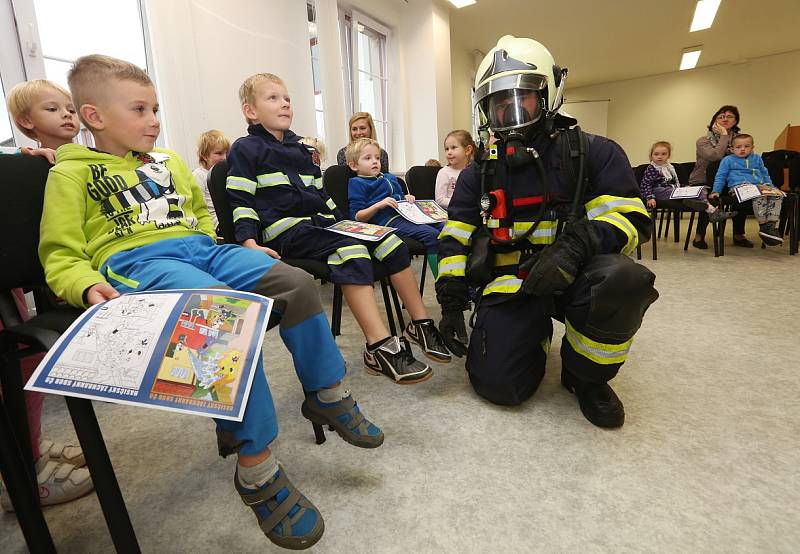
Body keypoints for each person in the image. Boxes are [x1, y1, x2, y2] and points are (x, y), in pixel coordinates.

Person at [39, 55, 384, 550]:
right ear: (94, 117)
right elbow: (60, 251)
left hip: (201, 249)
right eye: (140, 109)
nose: (155, 119)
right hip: (136, 260)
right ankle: (256, 467)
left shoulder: (171, 162)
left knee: (296, 282)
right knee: (225, 316)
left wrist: (214, 244)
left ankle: (325, 392)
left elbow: (199, 214)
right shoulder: (71, 175)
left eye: (155, 108)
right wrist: (80, 282)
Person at [435, 36, 658, 428]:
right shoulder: (481, 171)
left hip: (579, 275)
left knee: (625, 279)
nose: (510, 111)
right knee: (500, 388)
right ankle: (533, 330)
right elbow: (455, 235)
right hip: (514, 282)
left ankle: (585, 376)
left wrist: (574, 249)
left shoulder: (595, 153)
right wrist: (452, 302)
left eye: (522, 98)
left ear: (550, 94)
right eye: (498, 104)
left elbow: (633, 219)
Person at [226, 73, 451, 386]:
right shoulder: (245, 149)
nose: (285, 103)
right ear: (251, 111)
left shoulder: (304, 150)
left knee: (390, 240)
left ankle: (420, 323)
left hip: (322, 226)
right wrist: (248, 241)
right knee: (352, 250)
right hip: (286, 231)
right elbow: (240, 199)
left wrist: (352, 224)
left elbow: (323, 198)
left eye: (287, 98)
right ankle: (379, 345)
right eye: (273, 98)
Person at [1, 79, 93, 511]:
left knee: (27, 359)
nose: (68, 115)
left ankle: (30, 448)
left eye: (69, 108)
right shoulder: (31, 162)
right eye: (53, 109)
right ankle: (22, 473)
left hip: (19, 284)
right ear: (25, 123)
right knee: (14, 367)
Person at [347, 137, 444, 278]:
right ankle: (442, 282)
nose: (375, 161)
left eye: (377, 158)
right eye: (368, 158)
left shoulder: (390, 177)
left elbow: (400, 196)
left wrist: (407, 197)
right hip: (387, 221)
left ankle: (457, 276)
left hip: (407, 214)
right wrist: (378, 205)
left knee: (446, 227)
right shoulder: (357, 183)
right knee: (431, 235)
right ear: (354, 165)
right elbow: (356, 216)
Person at [688, 105, 751, 249]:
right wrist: (724, 135)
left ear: (736, 121)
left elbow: (746, 158)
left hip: (731, 182)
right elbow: (715, 156)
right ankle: (699, 237)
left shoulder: (741, 141)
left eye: (729, 116)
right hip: (703, 181)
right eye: (721, 116)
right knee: (710, 197)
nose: (725, 119)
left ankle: (738, 235)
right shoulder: (703, 140)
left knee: (742, 195)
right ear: (714, 121)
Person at [710, 134, 784, 246]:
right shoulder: (727, 160)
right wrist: (716, 191)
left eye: (747, 146)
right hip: (739, 187)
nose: (743, 149)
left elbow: (764, 173)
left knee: (777, 196)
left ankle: (770, 225)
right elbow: (721, 176)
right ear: (732, 149)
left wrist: (770, 186)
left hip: (759, 186)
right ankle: (763, 225)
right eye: (738, 147)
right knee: (760, 197)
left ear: (752, 147)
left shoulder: (757, 158)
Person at [640, 140, 734, 222]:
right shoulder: (652, 168)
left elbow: (673, 183)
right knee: (689, 193)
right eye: (656, 154)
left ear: (668, 156)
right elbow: (646, 184)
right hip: (659, 192)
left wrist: (685, 186)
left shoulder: (669, 167)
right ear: (651, 155)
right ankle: (710, 210)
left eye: (663, 154)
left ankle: (709, 209)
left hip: (670, 190)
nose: (659, 157)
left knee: (700, 190)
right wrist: (650, 197)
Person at [192, 129, 230, 229]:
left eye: (227, 153)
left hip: (232, 219)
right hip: (217, 224)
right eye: (219, 153)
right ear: (204, 156)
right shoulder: (199, 175)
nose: (225, 157)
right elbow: (198, 208)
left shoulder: (228, 173)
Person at [435, 130, 476, 209]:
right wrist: (461, 202)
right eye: (447, 149)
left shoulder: (474, 172)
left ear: (467, 150)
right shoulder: (444, 173)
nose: (449, 152)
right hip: (452, 215)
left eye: (453, 148)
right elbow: (440, 200)